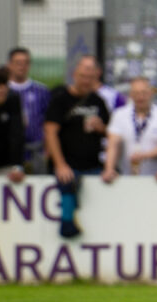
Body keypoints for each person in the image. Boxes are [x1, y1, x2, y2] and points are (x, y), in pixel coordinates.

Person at [43, 57, 110, 239]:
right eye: (82, 76)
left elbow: (110, 133)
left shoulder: (98, 101)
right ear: (74, 75)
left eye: (90, 77)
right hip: (68, 163)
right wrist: (60, 164)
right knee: (67, 182)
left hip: (93, 164)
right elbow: (50, 132)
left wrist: (101, 128)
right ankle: (67, 223)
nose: (86, 81)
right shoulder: (60, 99)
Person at [103, 76, 157, 181]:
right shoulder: (120, 114)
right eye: (136, 93)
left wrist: (144, 155)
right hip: (127, 178)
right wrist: (109, 169)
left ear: (151, 93)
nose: (140, 97)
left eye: (144, 93)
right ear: (130, 95)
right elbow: (113, 144)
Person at [5, 48, 51, 171]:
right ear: (9, 65)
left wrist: (48, 149)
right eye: (18, 63)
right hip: (8, 153)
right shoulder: (3, 91)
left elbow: (49, 122)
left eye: (26, 63)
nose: (22, 66)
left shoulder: (42, 91)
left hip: (36, 151)